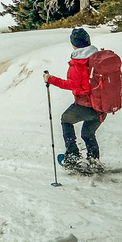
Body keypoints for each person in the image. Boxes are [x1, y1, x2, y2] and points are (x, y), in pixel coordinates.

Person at [44, 28, 104, 170]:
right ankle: (94, 162)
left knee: (66, 119)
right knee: (88, 133)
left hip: (86, 105)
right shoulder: (100, 57)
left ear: (74, 44)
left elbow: (71, 85)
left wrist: (50, 79)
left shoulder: (78, 63)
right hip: (103, 105)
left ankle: (72, 154)